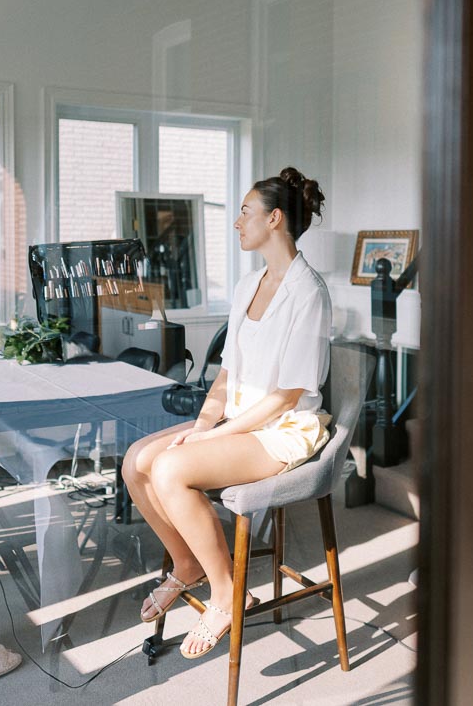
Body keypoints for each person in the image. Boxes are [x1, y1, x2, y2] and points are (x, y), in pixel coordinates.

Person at [121, 167, 332, 658]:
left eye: (244, 211)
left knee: (170, 468)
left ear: (274, 219)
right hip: (241, 420)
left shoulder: (309, 293)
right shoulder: (247, 285)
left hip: (284, 428)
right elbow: (226, 374)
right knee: (136, 461)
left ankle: (226, 590)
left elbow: (283, 397)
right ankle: (186, 563)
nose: (237, 222)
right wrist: (201, 427)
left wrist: (211, 440)